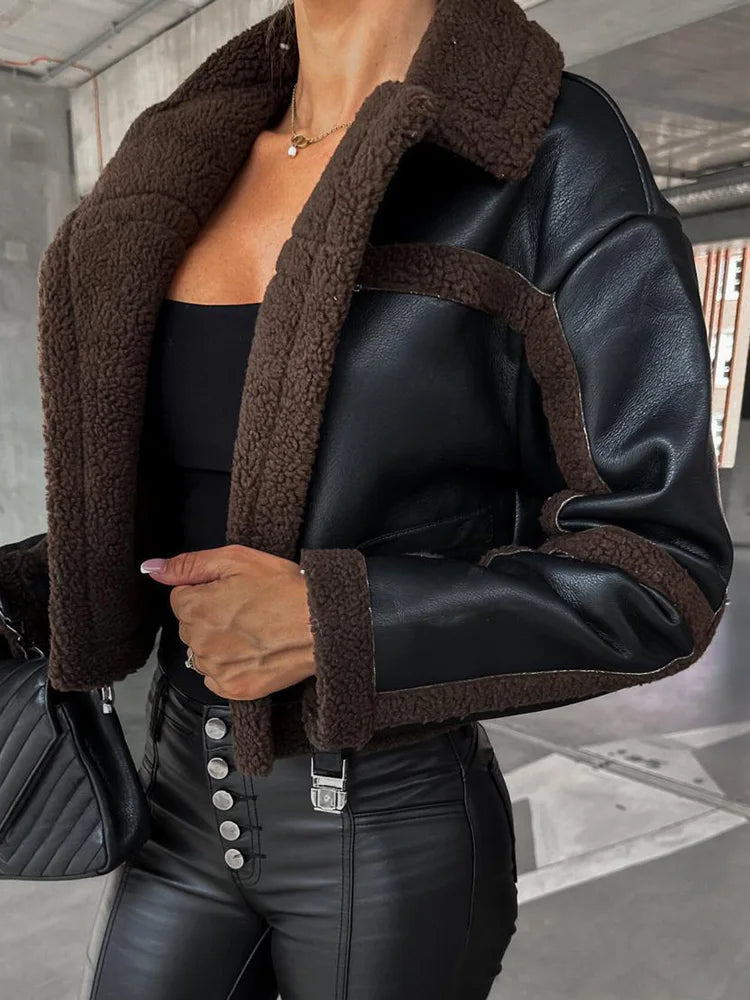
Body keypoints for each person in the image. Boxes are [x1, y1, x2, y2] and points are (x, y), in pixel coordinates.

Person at [0, 0, 733, 997]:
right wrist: (24, 588)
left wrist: (338, 621)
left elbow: (661, 570)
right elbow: (173, 513)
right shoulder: (184, 152)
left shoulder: (549, 147)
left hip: (383, 828)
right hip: (173, 802)